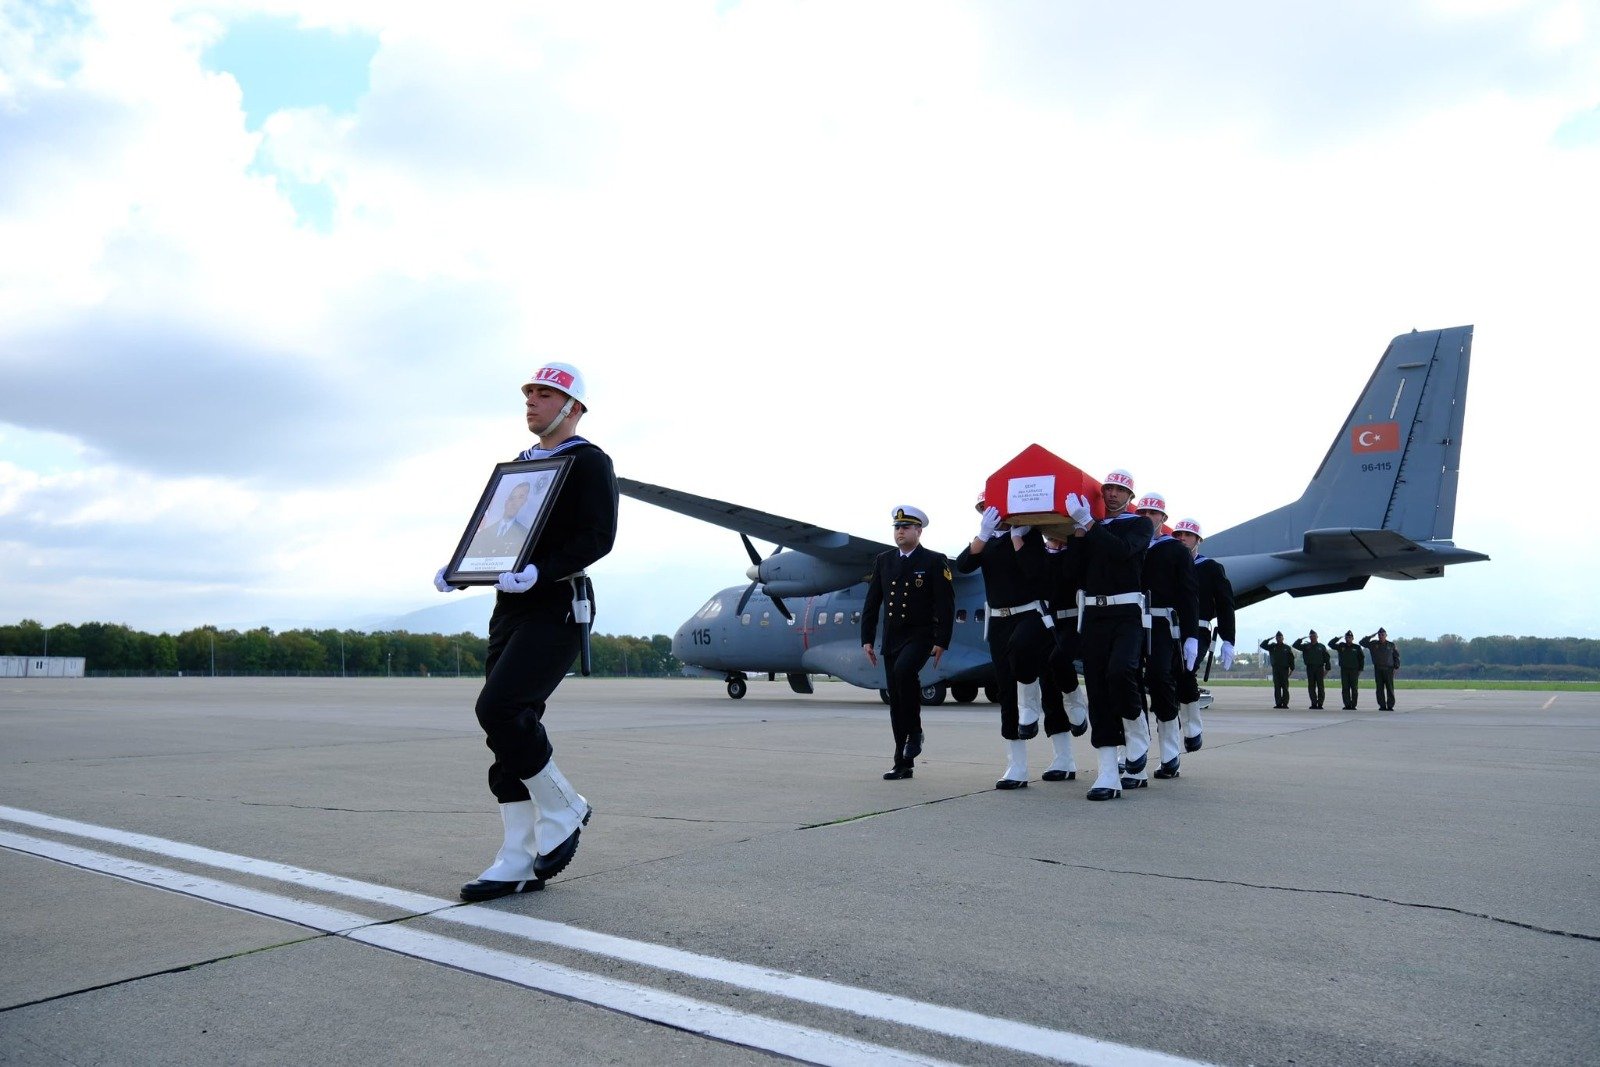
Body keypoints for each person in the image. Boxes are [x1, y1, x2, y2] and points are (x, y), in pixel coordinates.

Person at [433, 361, 618, 902]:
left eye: (545, 393)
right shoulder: (521, 467)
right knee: (507, 733)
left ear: (573, 407)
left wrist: (544, 570)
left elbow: (598, 536)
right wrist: (461, 569)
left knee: (499, 709)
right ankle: (516, 859)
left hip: (558, 603)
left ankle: (564, 806)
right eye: (530, 393)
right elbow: (499, 534)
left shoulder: (588, 463)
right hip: (509, 607)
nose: (532, 401)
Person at [1063, 469, 1154, 801]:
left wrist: (1087, 524)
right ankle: (1106, 774)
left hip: (1127, 612)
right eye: (1108, 489)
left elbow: (1121, 551)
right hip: (1094, 615)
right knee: (1098, 691)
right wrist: (1072, 535)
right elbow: (1072, 572)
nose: (1113, 494)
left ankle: (1137, 733)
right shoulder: (1090, 526)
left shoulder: (1138, 525)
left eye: (1120, 490)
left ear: (1130, 496)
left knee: (1121, 671)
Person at [956, 495, 1054, 789]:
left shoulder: (1029, 535)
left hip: (1029, 613)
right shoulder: (984, 542)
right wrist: (983, 535)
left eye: (994, 508)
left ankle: (1031, 705)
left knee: (1022, 651)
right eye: (985, 509)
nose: (990, 513)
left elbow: (1035, 573)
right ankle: (1016, 766)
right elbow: (963, 565)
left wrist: (1018, 538)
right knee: (1005, 689)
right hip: (997, 618)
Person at [861, 505, 955, 780]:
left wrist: (942, 640)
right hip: (892, 637)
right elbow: (872, 601)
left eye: (905, 527)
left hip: (920, 634)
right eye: (896, 527)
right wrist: (866, 638)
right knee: (896, 698)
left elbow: (946, 604)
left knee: (905, 672)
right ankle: (902, 763)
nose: (899, 531)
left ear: (918, 530)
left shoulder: (934, 561)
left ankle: (915, 732)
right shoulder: (884, 560)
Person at [1133, 493, 1198, 782]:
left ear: (1163, 519)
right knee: (1130, 681)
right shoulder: (1131, 545)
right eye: (1143, 512)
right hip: (1131, 620)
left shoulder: (1176, 550)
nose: (1147, 517)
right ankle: (1133, 751)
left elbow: (1188, 595)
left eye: (1153, 513)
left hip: (1161, 622)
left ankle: (1170, 754)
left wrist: (1191, 636)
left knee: (1160, 679)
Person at [1171, 518, 1235, 751]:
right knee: (1166, 678)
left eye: (1188, 535)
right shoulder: (1168, 564)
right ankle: (1170, 733)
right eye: (1178, 535)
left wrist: (1228, 640)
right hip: (1170, 628)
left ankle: (1192, 727)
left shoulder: (1210, 567)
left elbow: (1226, 604)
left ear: (1198, 540)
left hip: (1198, 630)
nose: (1182, 539)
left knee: (1186, 672)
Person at [1034, 531, 1090, 781]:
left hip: (1075, 621)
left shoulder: (1077, 550)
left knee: (1060, 660)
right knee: (1047, 688)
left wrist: (1071, 541)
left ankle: (1075, 698)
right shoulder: (1038, 553)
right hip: (1047, 622)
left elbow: (1071, 574)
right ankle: (1063, 758)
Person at [466, 480, 533, 561]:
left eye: (520, 498)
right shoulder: (484, 534)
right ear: (506, 501)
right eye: (512, 497)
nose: (514, 502)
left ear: (524, 503)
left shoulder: (525, 534)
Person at [1361, 627, 1402, 710]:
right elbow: (1362, 642)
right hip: (1378, 669)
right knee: (1379, 688)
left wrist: (1396, 667)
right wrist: (1371, 636)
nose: (1381, 636)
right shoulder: (1373, 644)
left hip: (1389, 669)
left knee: (1390, 688)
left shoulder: (1391, 645)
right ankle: (1382, 705)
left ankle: (1390, 706)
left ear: (1386, 635)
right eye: (1379, 635)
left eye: (1382, 635)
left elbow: (1396, 656)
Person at [1292, 630, 1332, 709]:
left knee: (1320, 686)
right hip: (1310, 668)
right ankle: (1314, 703)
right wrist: (1301, 639)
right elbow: (1295, 645)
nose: (1312, 637)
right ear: (1309, 637)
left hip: (1319, 668)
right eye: (1311, 636)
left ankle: (1320, 704)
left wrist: (1327, 668)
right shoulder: (1306, 646)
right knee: (1311, 686)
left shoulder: (1321, 646)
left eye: (1314, 636)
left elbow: (1327, 658)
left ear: (1317, 637)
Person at [1329, 630, 1366, 709]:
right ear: (1345, 638)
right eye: (1347, 637)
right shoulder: (1341, 646)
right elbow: (1330, 644)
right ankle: (1347, 705)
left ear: (1352, 638)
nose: (1348, 639)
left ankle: (1353, 705)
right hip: (1344, 670)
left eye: (1350, 637)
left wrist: (1360, 669)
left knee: (1354, 688)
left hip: (1354, 670)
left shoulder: (1357, 647)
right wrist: (1337, 638)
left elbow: (1361, 658)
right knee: (1345, 688)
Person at [1259, 632, 1297, 709]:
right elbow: (1262, 645)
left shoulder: (1287, 648)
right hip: (1276, 669)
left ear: (1283, 638)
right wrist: (1269, 639)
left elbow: (1291, 659)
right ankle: (1278, 703)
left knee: (1285, 687)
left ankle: (1285, 703)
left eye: (1280, 637)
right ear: (1276, 639)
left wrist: (1292, 668)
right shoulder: (1272, 646)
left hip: (1284, 669)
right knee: (1277, 687)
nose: (1279, 639)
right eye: (1277, 638)